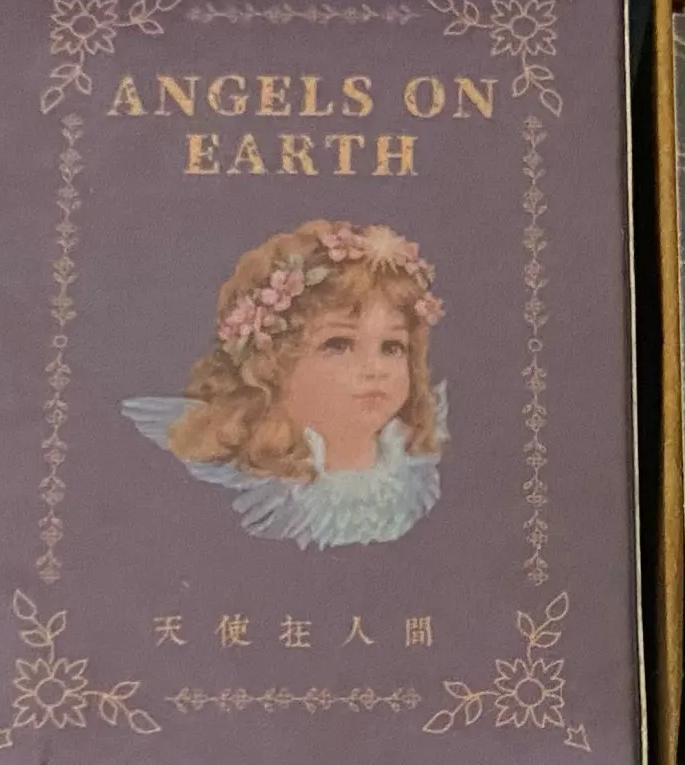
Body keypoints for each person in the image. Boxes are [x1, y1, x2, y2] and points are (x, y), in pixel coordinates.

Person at [122, 219, 447, 548]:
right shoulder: (268, 497)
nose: (375, 369)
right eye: (338, 345)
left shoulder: (413, 472)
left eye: (392, 348)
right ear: (273, 365)